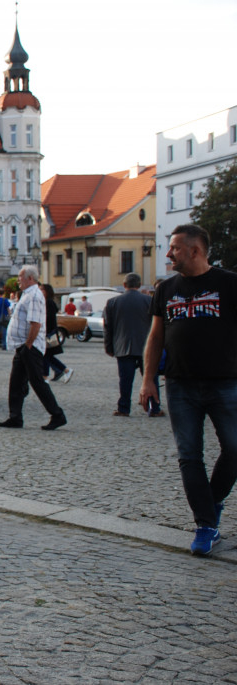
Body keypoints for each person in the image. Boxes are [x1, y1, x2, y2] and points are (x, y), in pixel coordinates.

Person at [140, 224, 237, 556]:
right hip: (180, 384)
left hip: (226, 382)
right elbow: (156, 336)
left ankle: (212, 502)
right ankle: (206, 526)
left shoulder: (229, 284)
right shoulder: (166, 289)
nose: (168, 253)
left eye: (175, 248)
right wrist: (148, 379)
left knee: (234, 448)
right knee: (189, 456)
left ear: (196, 251)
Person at [0, 265, 67, 431]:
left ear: (30, 278)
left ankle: (57, 415)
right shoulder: (27, 294)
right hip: (23, 345)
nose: (18, 281)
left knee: (37, 382)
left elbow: (35, 323)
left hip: (30, 346)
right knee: (16, 382)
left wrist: (28, 345)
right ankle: (15, 417)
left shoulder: (34, 295)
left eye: (20, 277)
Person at [104, 273, 157, 417]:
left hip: (123, 345)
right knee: (151, 377)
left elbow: (108, 327)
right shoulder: (149, 300)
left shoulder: (113, 302)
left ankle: (124, 408)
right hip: (146, 346)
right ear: (139, 285)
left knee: (125, 380)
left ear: (124, 285)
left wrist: (109, 347)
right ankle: (154, 407)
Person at [41, 283, 73, 383]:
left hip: (48, 333)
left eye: (42, 289)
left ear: (47, 291)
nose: (40, 291)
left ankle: (45, 376)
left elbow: (49, 318)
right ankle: (65, 370)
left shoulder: (48, 302)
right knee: (47, 355)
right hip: (47, 332)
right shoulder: (47, 302)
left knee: (45, 355)